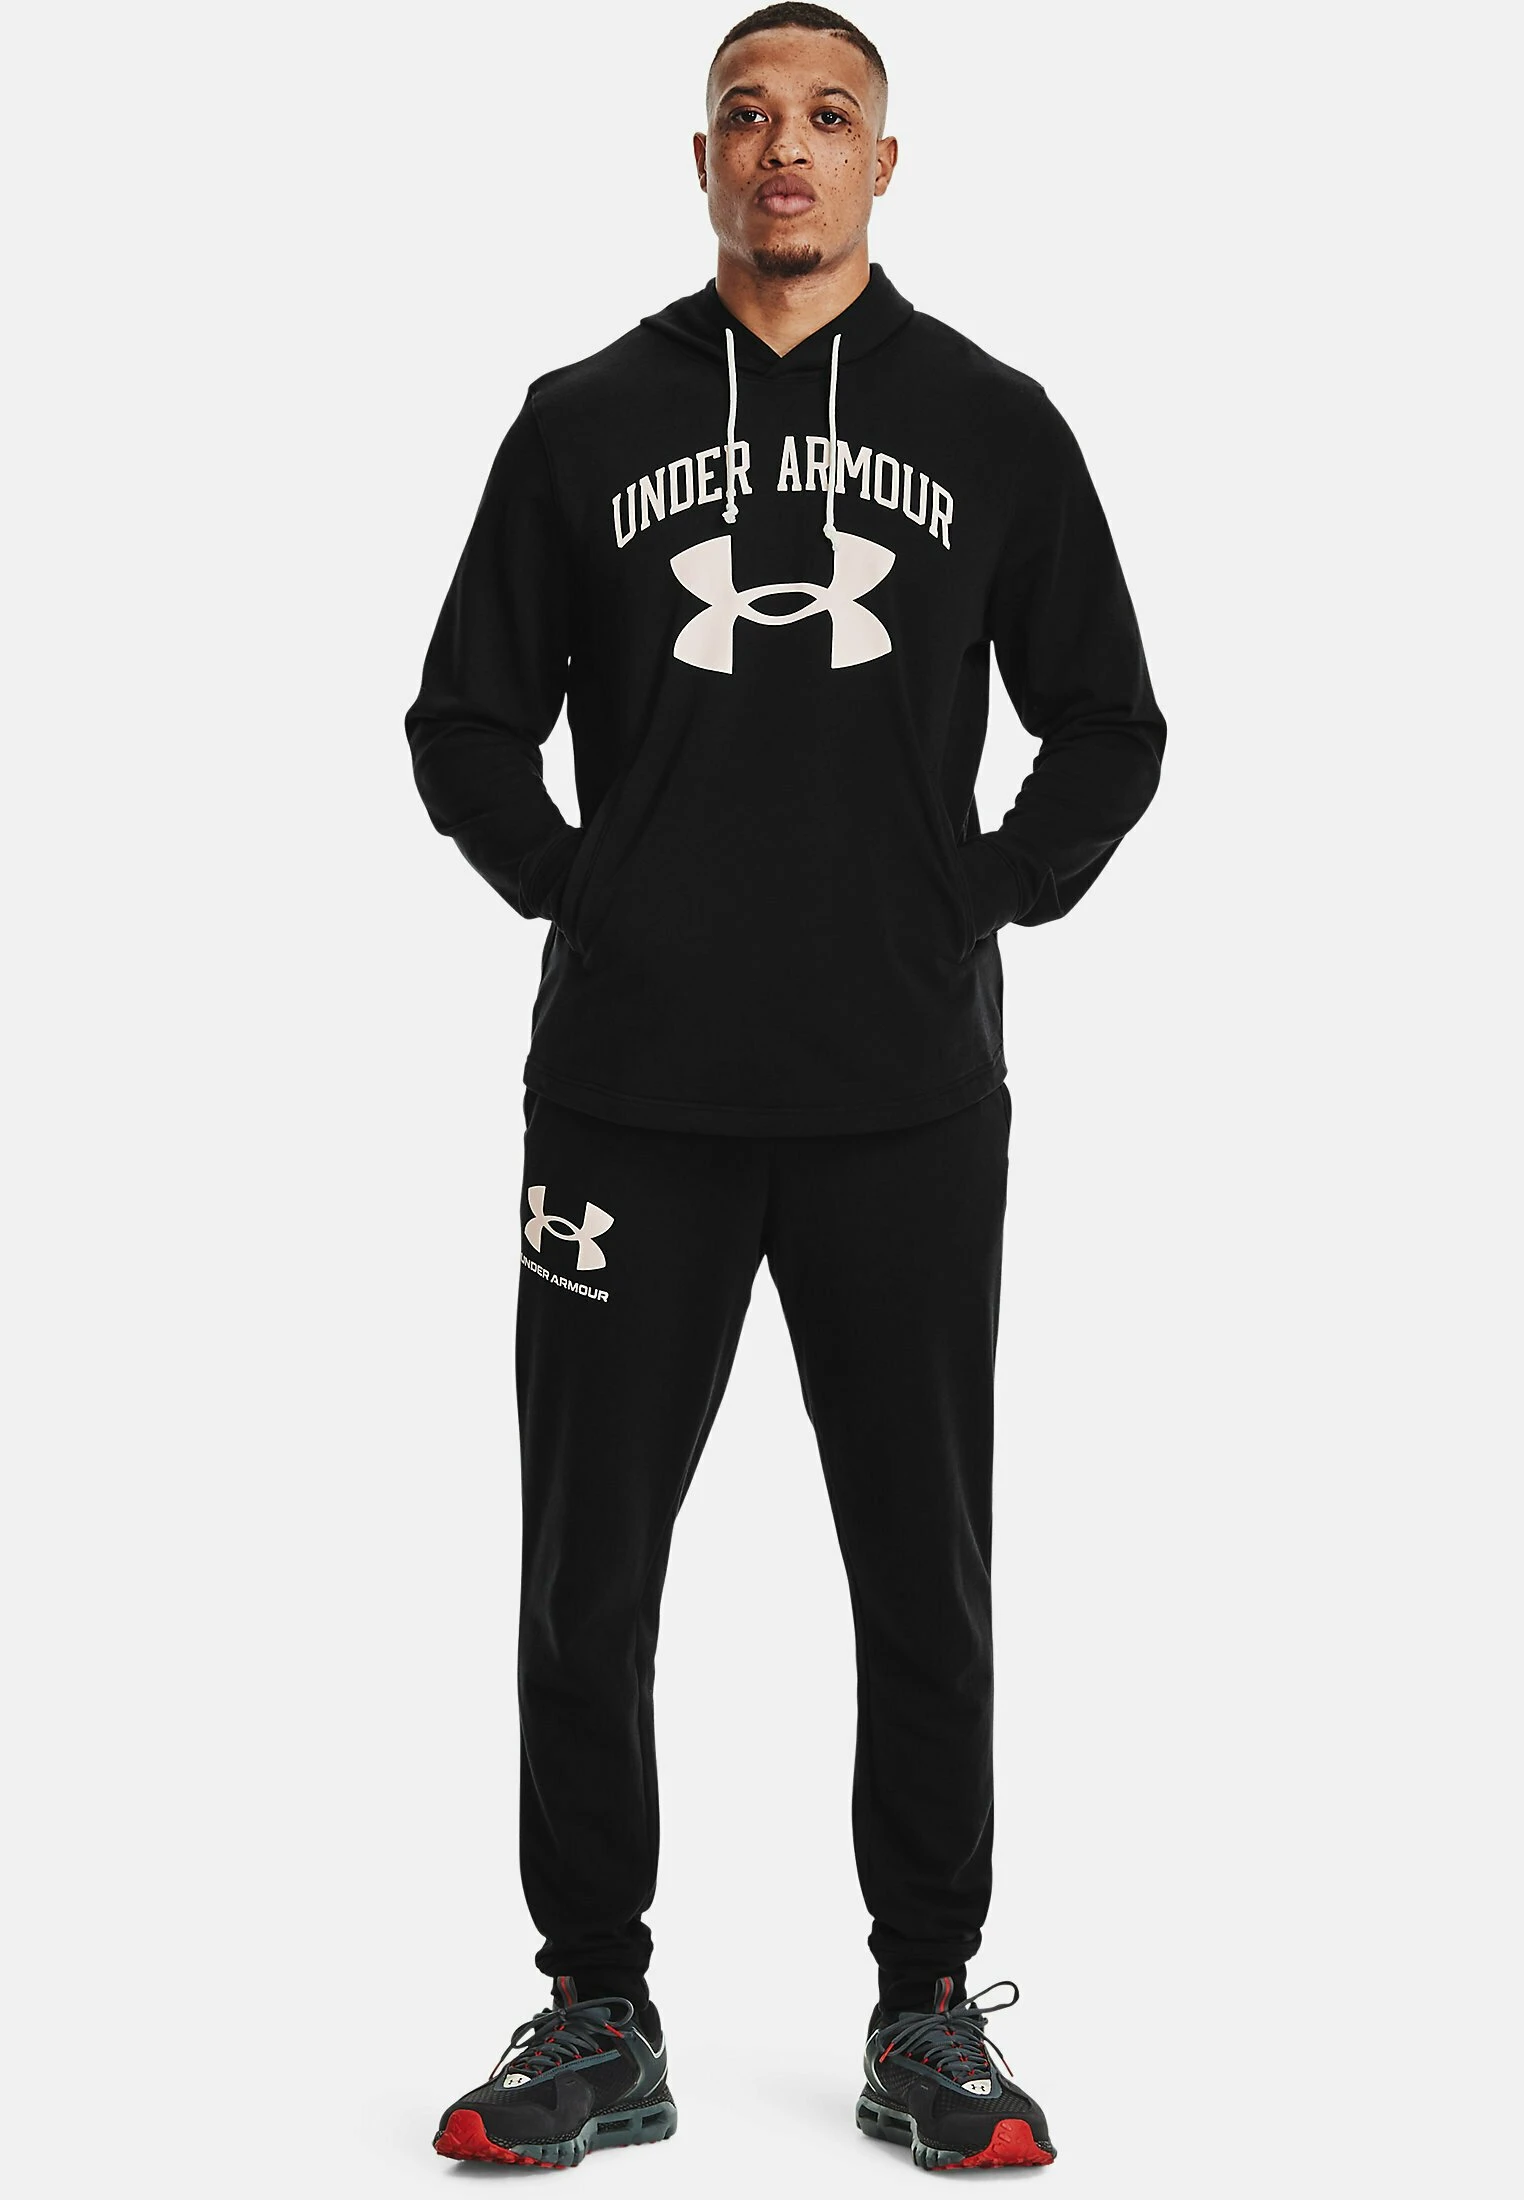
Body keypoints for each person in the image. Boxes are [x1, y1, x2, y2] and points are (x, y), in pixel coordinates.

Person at [405, 2, 1165, 2173]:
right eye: (746, 116)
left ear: (885, 163)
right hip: (626, 1094)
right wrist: (595, 893)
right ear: (702, 161)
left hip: (903, 1094)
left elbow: (1110, 724)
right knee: (585, 1570)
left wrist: (973, 896)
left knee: (922, 1566)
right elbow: (462, 723)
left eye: (829, 115)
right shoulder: (581, 420)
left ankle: (928, 2009)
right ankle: (595, 2005)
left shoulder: (992, 422)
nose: (785, 149)